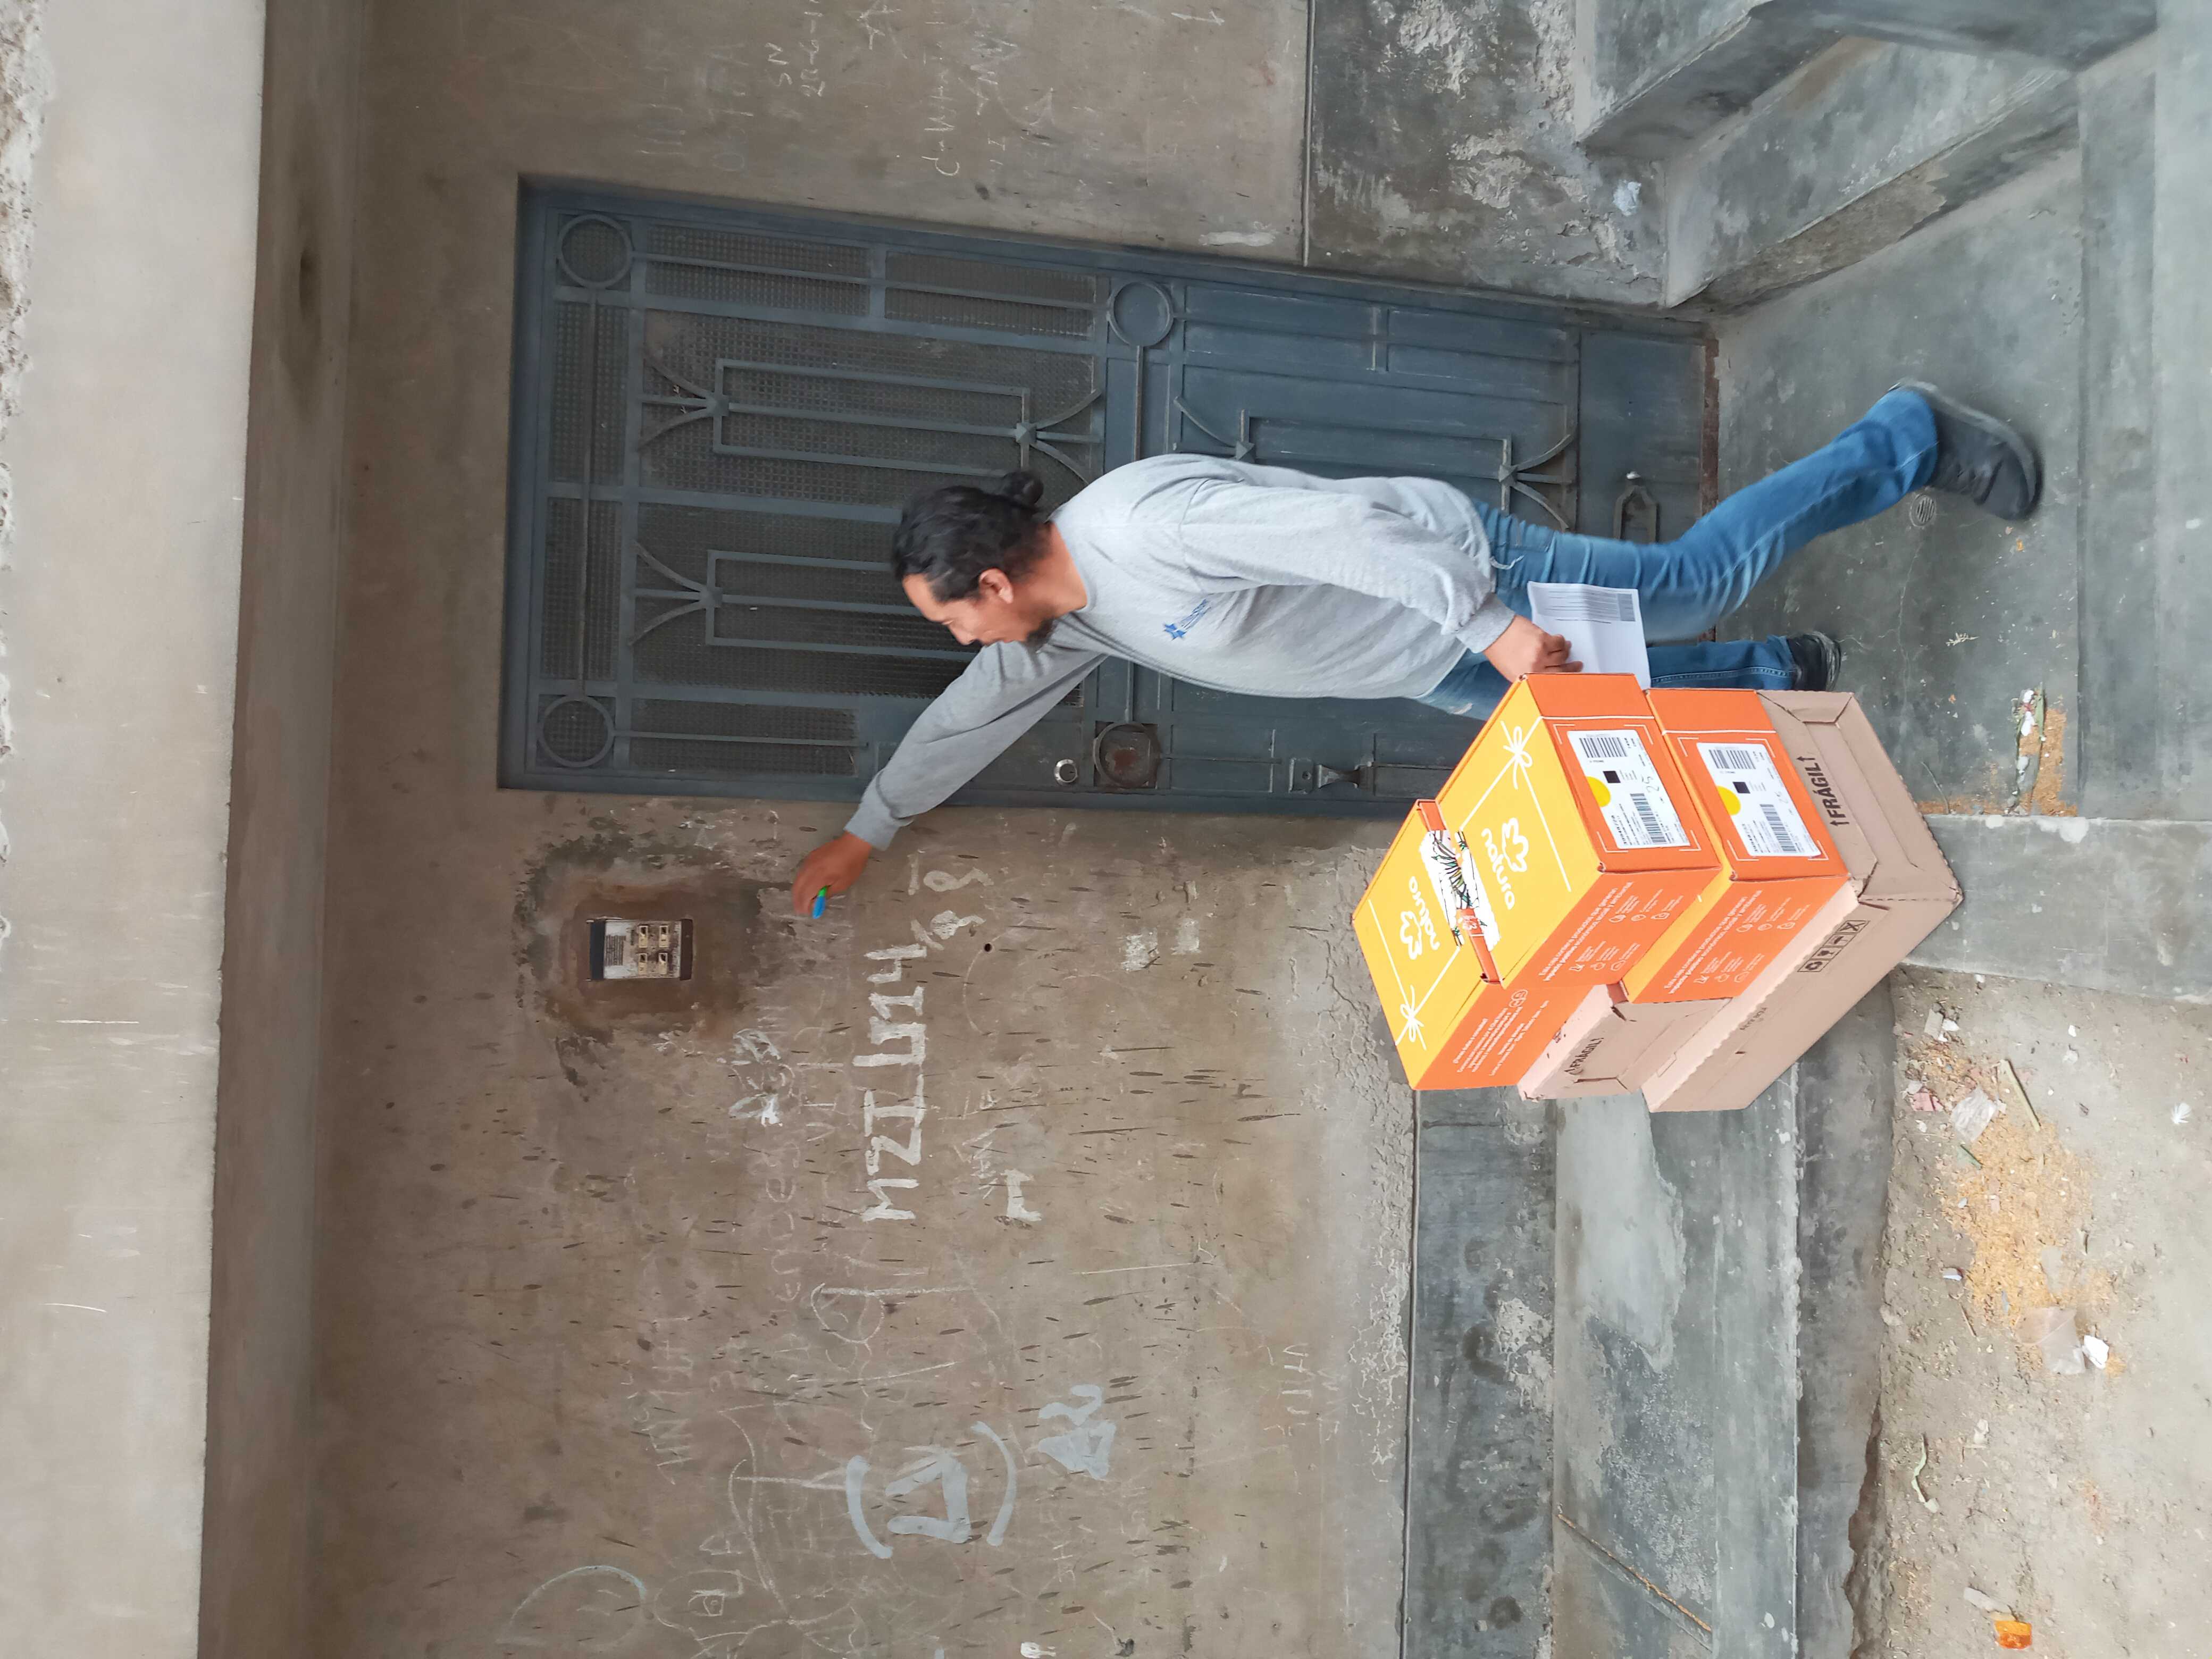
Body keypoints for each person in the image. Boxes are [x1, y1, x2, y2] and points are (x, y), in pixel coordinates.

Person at [787, 382, 2038, 914]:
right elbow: (974, 713)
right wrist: (870, 828)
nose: (965, 641)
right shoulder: (1070, 618)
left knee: (1686, 587)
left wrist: (1493, 623)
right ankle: (1775, 675)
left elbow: (1347, 532)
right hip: (1423, 654)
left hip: (1464, 579)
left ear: (993, 580)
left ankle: (1907, 434)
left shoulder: (1141, 532)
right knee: (1584, 703)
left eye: (955, 618)